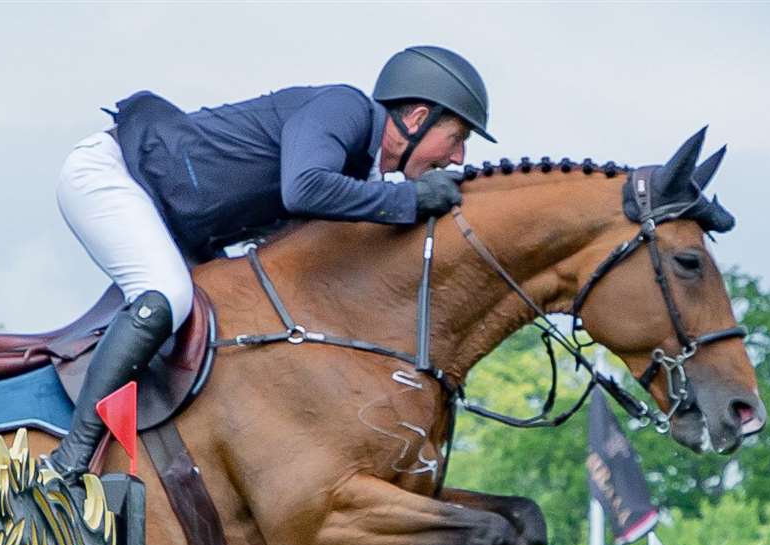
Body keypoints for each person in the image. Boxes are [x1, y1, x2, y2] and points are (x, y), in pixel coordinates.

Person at [43, 45, 495, 480]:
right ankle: (70, 459)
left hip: (176, 222)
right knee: (167, 294)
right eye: (456, 138)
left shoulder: (362, 175)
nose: (457, 157)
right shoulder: (346, 108)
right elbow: (303, 188)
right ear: (418, 118)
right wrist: (408, 198)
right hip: (111, 175)